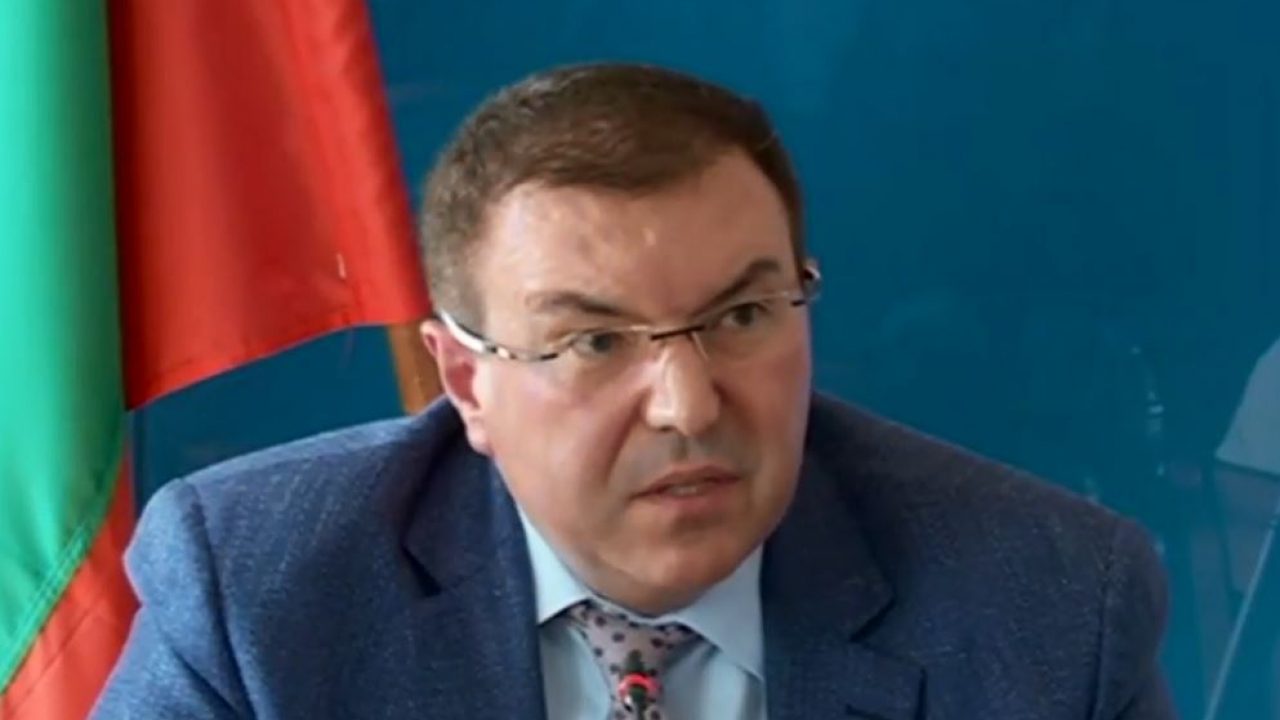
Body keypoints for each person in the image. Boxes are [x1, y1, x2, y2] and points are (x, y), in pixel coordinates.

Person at [94, 62, 1174, 719]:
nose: (688, 406)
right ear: (467, 382)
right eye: (595, 341)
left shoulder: (1047, 604)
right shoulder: (261, 586)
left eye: (740, 317)